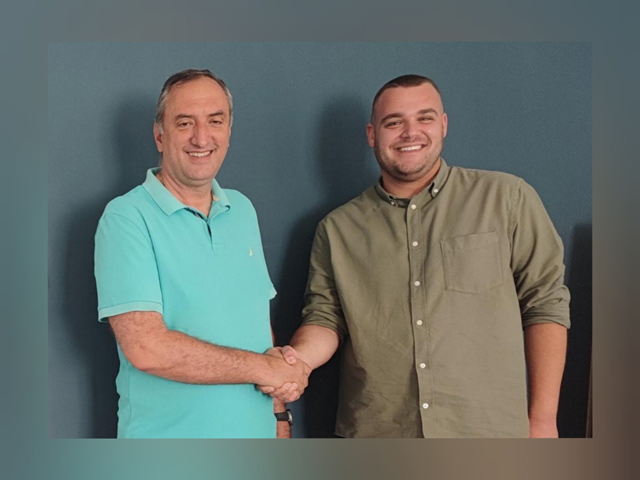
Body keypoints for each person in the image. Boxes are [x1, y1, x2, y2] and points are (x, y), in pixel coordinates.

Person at [262, 74, 570, 438]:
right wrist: (295, 362)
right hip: (379, 433)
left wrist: (544, 419)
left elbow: (545, 304)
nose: (411, 132)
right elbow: (325, 319)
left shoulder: (506, 199)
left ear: (443, 125)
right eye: (394, 122)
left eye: (424, 118)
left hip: (489, 431)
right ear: (372, 135)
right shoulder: (337, 229)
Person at [94, 69, 309, 438]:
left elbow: (255, 320)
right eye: (184, 123)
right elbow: (146, 348)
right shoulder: (126, 217)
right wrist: (263, 368)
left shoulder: (242, 209)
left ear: (229, 132)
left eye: (215, 121)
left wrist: (279, 415)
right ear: (159, 135)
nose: (202, 137)